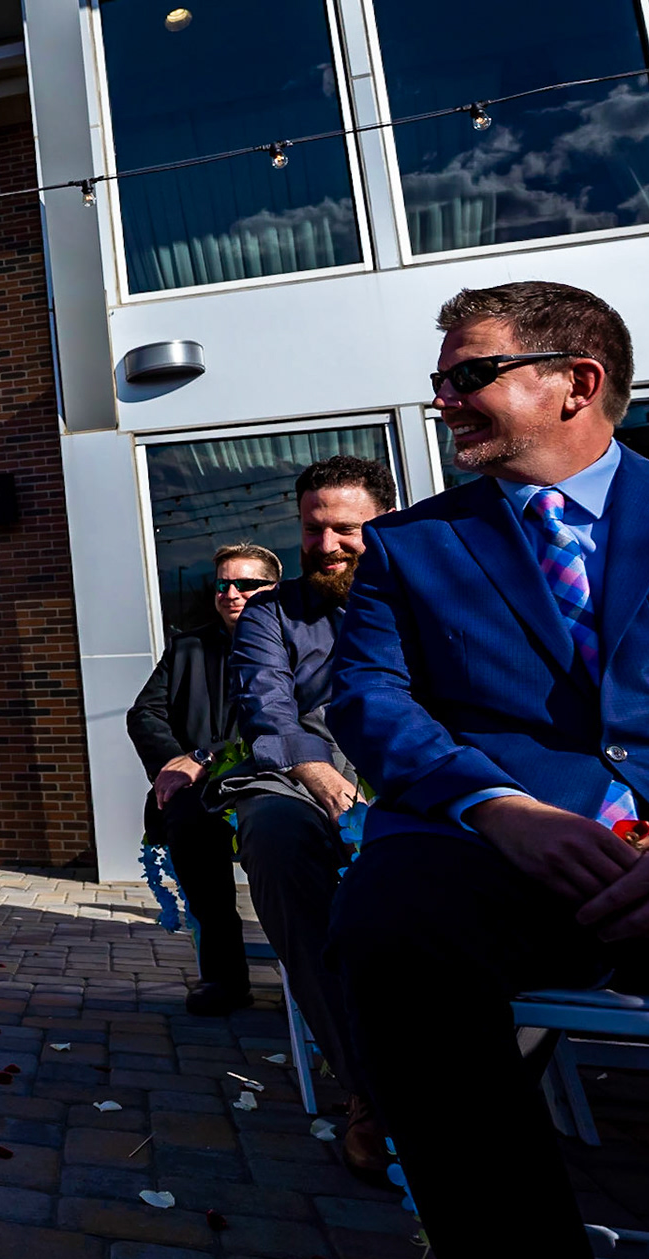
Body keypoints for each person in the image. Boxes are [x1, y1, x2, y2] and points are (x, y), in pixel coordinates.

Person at [328, 281, 649, 1259]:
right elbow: (369, 697)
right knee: (390, 924)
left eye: (470, 374)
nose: (443, 399)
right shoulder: (411, 544)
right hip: (499, 858)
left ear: (578, 381)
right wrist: (498, 806)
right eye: (440, 379)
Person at [222, 455, 395, 1177]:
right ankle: (370, 1088)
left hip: (416, 774)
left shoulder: (427, 591)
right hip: (305, 775)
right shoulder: (272, 612)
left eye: (345, 529)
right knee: (274, 834)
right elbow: (267, 706)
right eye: (311, 528)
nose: (326, 545)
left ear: (384, 522)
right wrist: (319, 775)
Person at [126, 542, 279, 1016]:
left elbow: (282, 723)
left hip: (272, 780)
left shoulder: (296, 643)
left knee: (283, 840)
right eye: (222, 585)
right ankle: (224, 978)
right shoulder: (187, 647)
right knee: (189, 824)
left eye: (247, 584)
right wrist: (175, 765)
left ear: (275, 588)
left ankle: (311, 968)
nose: (231, 594)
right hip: (199, 793)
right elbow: (144, 714)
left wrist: (204, 757)